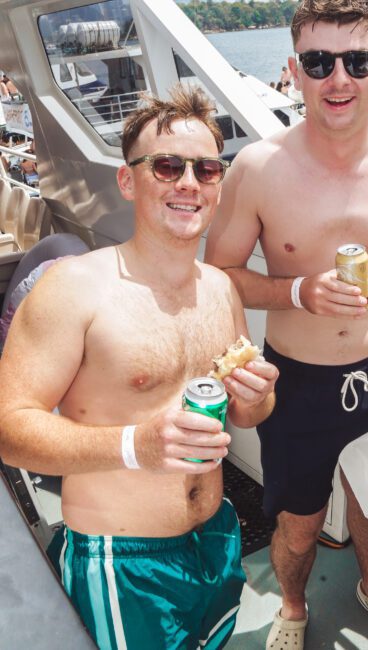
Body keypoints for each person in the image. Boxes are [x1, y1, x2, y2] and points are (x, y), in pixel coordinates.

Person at [204, 0, 368, 647]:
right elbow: (220, 272)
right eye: (319, 62)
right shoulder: (260, 168)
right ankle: (292, 607)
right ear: (294, 70)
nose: (338, 78)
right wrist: (297, 291)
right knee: (299, 522)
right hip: (298, 382)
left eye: (356, 61)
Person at [0, 85, 279, 650]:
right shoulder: (74, 289)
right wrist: (136, 446)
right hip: (123, 561)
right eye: (167, 166)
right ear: (128, 180)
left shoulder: (222, 289)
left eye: (205, 169)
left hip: (217, 535)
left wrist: (258, 396)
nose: (188, 183)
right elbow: (9, 428)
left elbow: (247, 416)